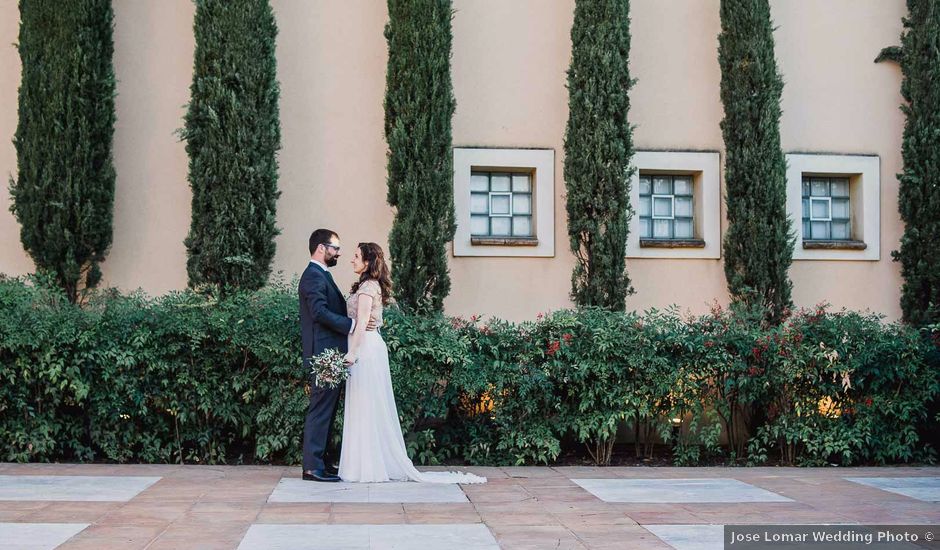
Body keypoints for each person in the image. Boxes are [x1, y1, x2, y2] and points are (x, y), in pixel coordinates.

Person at [338, 241, 485, 484]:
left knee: (366, 404)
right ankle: (363, 465)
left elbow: (363, 321)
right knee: (365, 404)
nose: (351, 260)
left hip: (364, 349)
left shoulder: (367, 287)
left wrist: (351, 354)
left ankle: (366, 467)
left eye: (356, 256)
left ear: (367, 261)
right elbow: (373, 319)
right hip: (368, 345)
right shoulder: (368, 285)